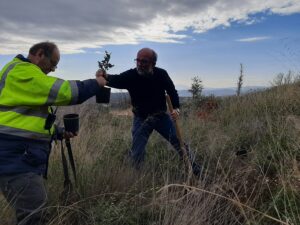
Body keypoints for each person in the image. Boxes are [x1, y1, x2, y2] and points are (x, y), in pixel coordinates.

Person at [0, 41, 107, 225]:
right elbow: (64, 92)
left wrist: (58, 132)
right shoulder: (22, 72)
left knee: (31, 212)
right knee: (34, 216)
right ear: (40, 54)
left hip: (18, 155)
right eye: (53, 64)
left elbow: (24, 118)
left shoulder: (19, 72)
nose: (53, 69)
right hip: (16, 159)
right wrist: (96, 83)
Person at [97, 48, 201, 175]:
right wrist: (103, 75)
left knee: (179, 143)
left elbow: (172, 92)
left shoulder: (161, 74)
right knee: (137, 153)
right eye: (138, 60)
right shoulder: (131, 75)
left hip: (161, 117)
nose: (140, 64)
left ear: (153, 63)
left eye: (144, 61)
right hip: (141, 119)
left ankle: (195, 171)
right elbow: (116, 79)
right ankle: (136, 178)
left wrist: (176, 109)